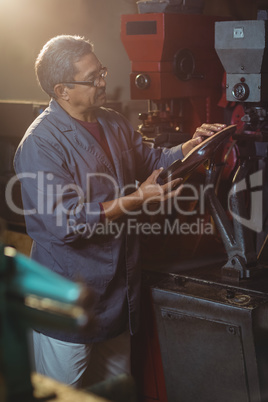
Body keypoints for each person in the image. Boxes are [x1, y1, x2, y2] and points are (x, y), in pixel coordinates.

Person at [14, 35, 225, 388]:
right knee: (65, 395)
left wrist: (189, 147)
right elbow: (64, 222)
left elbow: (153, 161)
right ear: (62, 89)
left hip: (116, 297)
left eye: (102, 72)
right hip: (68, 302)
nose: (103, 82)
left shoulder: (111, 121)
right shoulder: (41, 143)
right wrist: (136, 200)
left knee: (115, 391)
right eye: (92, 77)